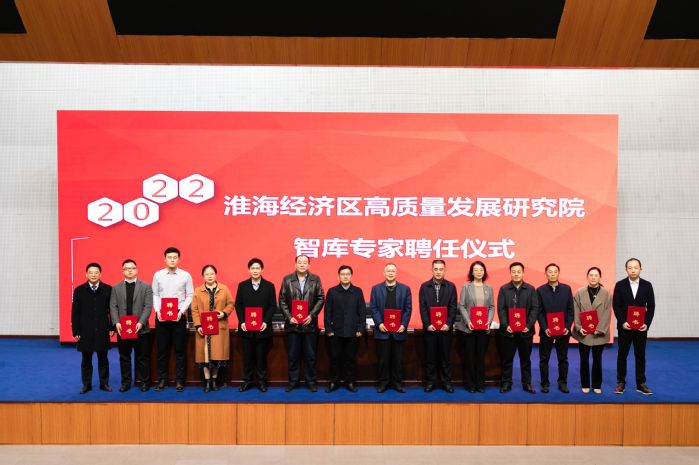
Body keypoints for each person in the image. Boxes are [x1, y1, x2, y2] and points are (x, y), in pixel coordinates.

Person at [279, 255, 325, 392]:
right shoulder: (287, 279)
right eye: (299, 262)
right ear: (295, 264)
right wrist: (289, 317)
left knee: (310, 356)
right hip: (293, 326)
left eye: (305, 263)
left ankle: (311, 382)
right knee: (293, 356)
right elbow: (282, 300)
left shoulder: (315, 279)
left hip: (309, 325)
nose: (302, 265)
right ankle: (293, 382)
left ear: (309, 265)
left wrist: (312, 315)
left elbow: (320, 298)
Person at [152, 247, 194, 392]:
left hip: (178, 315)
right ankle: (162, 379)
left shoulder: (185, 275)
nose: (172, 260)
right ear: (164, 259)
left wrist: (182, 311)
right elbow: (155, 294)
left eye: (175, 257)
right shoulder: (158, 275)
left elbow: (190, 295)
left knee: (180, 350)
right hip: (162, 315)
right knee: (162, 350)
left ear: (179, 259)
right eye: (169, 257)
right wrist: (157, 310)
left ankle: (179, 380)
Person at [109, 259, 153, 392]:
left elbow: (148, 306)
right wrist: (116, 322)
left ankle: (144, 382)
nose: (130, 270)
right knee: (124, 357)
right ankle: (126, 383)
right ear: (123, 271)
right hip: (123, 328)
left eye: (132, 268)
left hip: (140, 328)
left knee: (142, 357)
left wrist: (141, 322)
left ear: (136, 270)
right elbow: (113, 306)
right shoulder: (116, 288)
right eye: (127, 268)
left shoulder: (145, 286)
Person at [613, 258, 655, 395]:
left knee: (640, 355)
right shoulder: (620, 285)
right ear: (626, 269)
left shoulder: (647, 285)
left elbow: (651, 306)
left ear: (640, 269)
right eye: (630, 268)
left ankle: (641, 383)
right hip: (625, 327)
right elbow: (616, 305)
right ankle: (620, 382)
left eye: (636, 267)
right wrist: (622, 322)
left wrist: (646, 324)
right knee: (622, 355)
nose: (633, 270)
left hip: (640, 328)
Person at [234, 258, 277, 392]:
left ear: (262, 270)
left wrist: (265, 322)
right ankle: (247, 381)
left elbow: (272, 306)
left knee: (261, 357)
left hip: (262, 328)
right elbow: (238, 305)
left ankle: (262, 382)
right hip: (246, 328)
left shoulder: (269, 286)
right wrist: (242, 321)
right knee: (247, 357)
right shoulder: (242, 285)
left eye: (257, 268)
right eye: (253, 268)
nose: (255, 271)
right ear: (249, 270)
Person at [497, 262, 540, 394]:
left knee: (525, 360)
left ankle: (527, 384)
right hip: (508, 332)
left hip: (525, 332)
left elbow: (535, 308)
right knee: (507, 359)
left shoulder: (530, 289)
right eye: (514, 272)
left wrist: (529, 325)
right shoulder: (504, 289)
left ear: (523, 273)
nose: (516, 274)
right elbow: (501, 309)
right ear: (510, 273)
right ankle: (506, 383)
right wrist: (506, 325)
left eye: (519, 271)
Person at [71, 262, 114, 394]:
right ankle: (86, 385)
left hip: (102, 329)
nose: (93, 275)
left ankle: (104, 384)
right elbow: (75, 312)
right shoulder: (79, 290)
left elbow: (112, 310)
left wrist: (112, 327)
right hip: (85, 330)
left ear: (100, 274)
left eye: (96, 272)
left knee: (103, 359)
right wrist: (76, 331)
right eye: (91, 272)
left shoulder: (108, 289)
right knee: (86, 360)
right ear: (86, 274)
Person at [370, 263, 412, 393]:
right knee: (383, 359)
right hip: (382, 330)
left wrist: (403, 324)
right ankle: (383, 383)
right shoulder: (376, 289)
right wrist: (379, 323)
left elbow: (408, 309)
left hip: (399, 330)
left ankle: (397, 383)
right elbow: (373, 308)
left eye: (393, 271)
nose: (390, 273)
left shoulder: (405, 289)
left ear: (396, 273)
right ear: (384, 273)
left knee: (397, 360)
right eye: (388, 271)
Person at [191, 264, 234, 392]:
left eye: (212, 274)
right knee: (205, 357)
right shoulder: (198, 290)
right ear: (203, 276)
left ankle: (214, 380)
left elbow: (231, 304)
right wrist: (198, 325)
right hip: (204, 328)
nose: (209, 276)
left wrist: (224, 313)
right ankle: (207, 381)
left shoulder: (224, 289)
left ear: (215, 275)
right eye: (207, 274)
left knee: (216, 355)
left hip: (219, 327)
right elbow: (194, 309)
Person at [324, 265, 366, 393]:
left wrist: (361, 328)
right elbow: (327, 312)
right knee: (335, 358)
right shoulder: (332, 291)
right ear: (338, 276)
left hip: (353, 331)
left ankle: (350, 382)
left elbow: (362, 311)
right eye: (343, 274)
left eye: (348, 274)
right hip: (336, 331)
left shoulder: (357, 291)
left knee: (350, 359)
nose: (345, 276)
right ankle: (333, 382)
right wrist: (328, 329)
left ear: (351, 276)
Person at [457, 260, 495, 393]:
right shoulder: (466, 287)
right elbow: (462, 306)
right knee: (470, 357)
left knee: (480, 357)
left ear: (484, 272)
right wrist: (468, 321)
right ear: (472, 272)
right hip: (469, 328)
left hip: (483, 329)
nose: (479, 272)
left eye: (481, 270)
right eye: (476, 270)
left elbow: (491, 307)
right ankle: (471, 384)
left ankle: (481, 384)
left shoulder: (489, 288)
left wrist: (488, 322)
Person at [419, 260, 457, 393]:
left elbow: (453, 307)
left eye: (441, 269)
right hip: (430, 330)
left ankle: (447, 382)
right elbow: (423, 307)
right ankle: (430, 382)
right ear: (432, 270)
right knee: (430, 358)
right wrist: (427, 324)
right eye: (436, 269)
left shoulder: (451, 287)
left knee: (445, 358)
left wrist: (449, 324)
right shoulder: (424, 286)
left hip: (445, 329)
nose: (438, 272)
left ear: (445, 270)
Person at [536, 263, 574, 394]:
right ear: (546, 274)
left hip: (563, 331)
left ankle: (562, 383)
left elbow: (570, 310)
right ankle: (544, 384)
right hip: (546, 331)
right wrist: (545, 327)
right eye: (550, 272)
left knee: (563, 359)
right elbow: (539, 311)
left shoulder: (566, 289)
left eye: (555, 271)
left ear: (559, 273)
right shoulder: (540, 290)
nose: (552, 274)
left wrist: (567, 327)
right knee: (544, 359)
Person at [572, 266, 611, 394]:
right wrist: (579, 328)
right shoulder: (580, 292)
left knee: (597, 360)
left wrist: (600, 329)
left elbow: (607, 313)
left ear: (600, 277)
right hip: (584, 332)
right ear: (587, 277)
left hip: (598, 333)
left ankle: (596, 385)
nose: (593, 278)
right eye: (591, 275)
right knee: (584, 360)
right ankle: (585, 384)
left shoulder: (606, 293)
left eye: (596, 275)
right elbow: (576, 311)